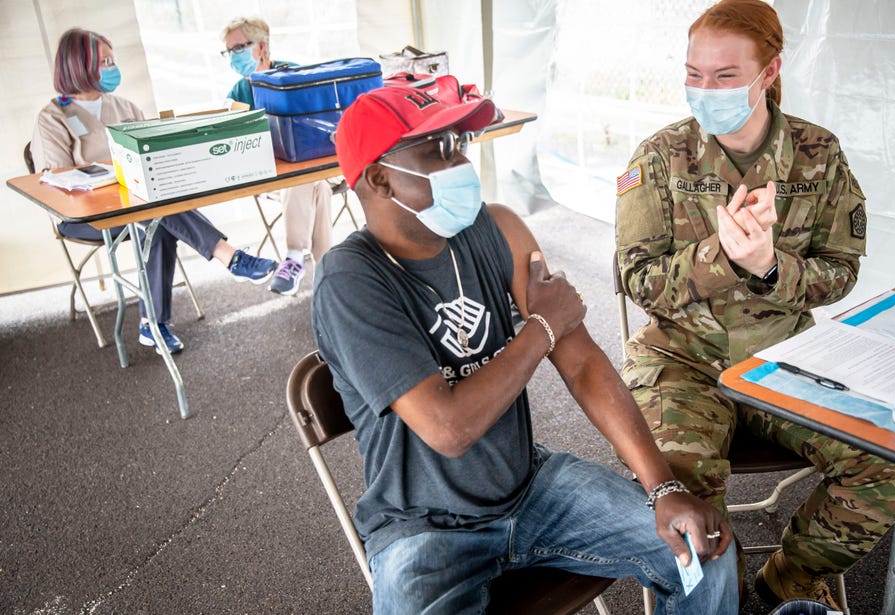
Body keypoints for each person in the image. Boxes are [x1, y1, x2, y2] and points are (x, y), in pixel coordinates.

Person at [311, 85, 739, 614]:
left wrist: (661, 487)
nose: (461, 161)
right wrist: (539, 329)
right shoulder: (349, 279)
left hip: (532, 489)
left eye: (459, 143)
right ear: (378, 177)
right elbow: (450, 429)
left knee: (704, 552)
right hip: (423, 529)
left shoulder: (499, 229)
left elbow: (581, 363)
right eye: (436, 150)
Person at [614, 0, 895, 608]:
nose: (704, 90)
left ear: (769, 72)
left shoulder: (817, 154)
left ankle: (780, 588)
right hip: (681, 362)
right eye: (694, 74)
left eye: (724, 76)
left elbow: (840, 272)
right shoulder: (660, 158)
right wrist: (724, 257)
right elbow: (638, 281)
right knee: (682, 499)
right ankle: (718, 599)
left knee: (885, 467)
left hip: (785, 359)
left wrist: (771, 267)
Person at [31, 28, 277, 354]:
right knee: (154, 214)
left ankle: (154, 326)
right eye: (104, 61)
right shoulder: (52, 118)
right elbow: (59, 186)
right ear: (79, 64)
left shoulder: (126, 108)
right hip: (84, 216)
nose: (112, 67)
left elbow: (150, 161)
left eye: (112, 60)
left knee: (154, 217)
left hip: (136, 207)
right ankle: (228, 258)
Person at [220, 17, 333, 296]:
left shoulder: (293, 76)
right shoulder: (237, 93)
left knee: (306, 176)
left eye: (237, 48)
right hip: (270, 177)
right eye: (228, 51)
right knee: (317, 186)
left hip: (310, 164)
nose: (232, 56)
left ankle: (295, 256)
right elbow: (234, 145)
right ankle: (327, 271)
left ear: (260, 47)